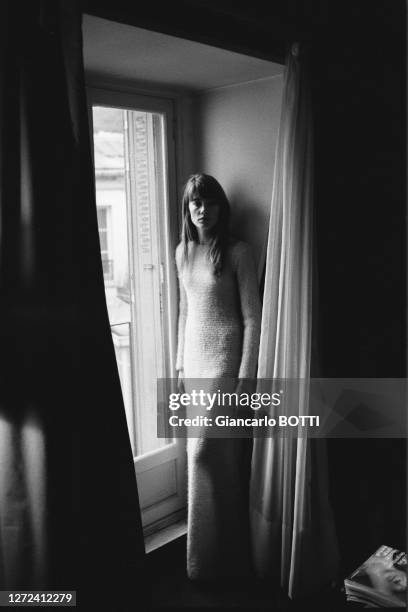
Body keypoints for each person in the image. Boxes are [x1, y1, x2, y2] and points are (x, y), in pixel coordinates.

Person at [175, 174, 261, 581]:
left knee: (203, 454)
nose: (202, 209)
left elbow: (252, 319)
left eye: (209, 202)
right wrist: (178, 366)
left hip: (225, 363)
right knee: (218, 462)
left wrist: (246, 376)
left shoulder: (239, 252)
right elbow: (184, 313)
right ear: (187, 209)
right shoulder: (182, 252)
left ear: (221, 208)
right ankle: (213, 560)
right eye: (195, 202)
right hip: (193, 362)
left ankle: (214, 557)